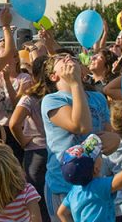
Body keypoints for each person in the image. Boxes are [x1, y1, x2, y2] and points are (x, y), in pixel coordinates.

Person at [40, 52, 115, 219]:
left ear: (82, 70)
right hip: (63, 187)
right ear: (54, 76)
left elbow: (109, 139)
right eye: (61, 58)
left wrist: (115, 139)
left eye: (73, 58)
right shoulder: (52, 100)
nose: (68, 57)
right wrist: (75, 84)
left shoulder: (98, 98)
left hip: (94, 186)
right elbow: (81, 126)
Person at [10, 56, 56, 221]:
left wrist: (23, 141)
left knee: (38, 206)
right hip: (57, 152)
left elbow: (14, 123)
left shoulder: (30, 97)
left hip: (35, 154)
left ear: (34, 75)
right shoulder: (59, 94)